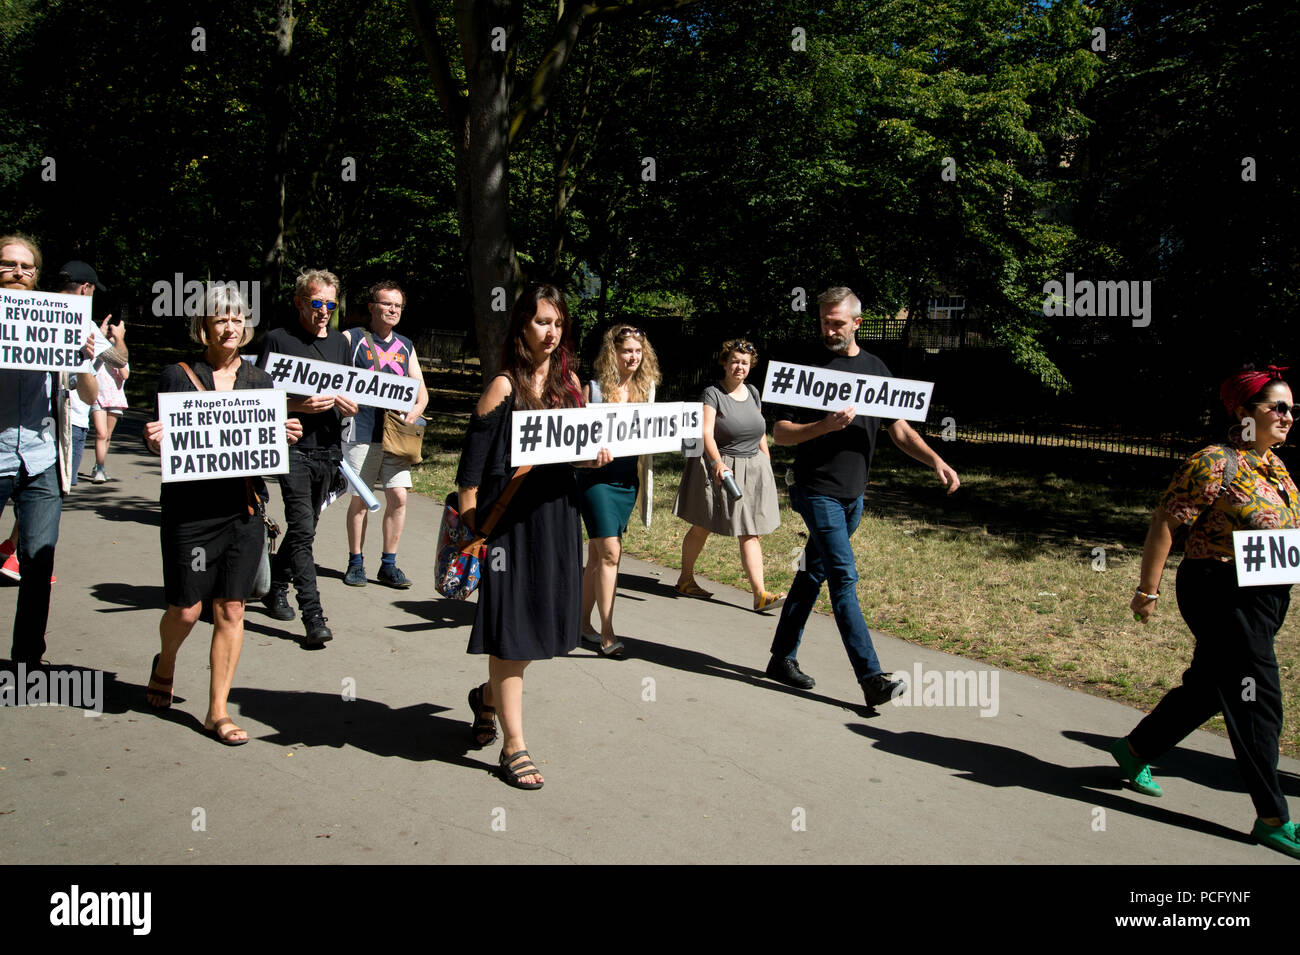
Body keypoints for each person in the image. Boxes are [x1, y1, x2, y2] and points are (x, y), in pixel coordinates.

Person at [1112, 364, 1300, 859]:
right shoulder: (1215, 462)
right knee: (1258, 697)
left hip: (1265, 597)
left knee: (1210, 687)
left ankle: (1134, 751)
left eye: (1291, 409)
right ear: (1243, 413)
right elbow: (1166, 523)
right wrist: (1147, 590)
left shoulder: (1276, 467)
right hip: (1219, 591)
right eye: (1276, 407)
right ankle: (1272, 817)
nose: (1287, 416)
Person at [766, 286, 959, 707]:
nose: (829, 329)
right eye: (823, 321)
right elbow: (780, 434)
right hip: (816, 491)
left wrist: (935, 461)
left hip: (854, 496)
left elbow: (900, 430)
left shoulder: (876, 369)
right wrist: (825, 425)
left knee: (812, 574)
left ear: (857, 323)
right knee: (843, 578)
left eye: (837, 322)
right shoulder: (805, 369)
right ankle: (871, 677)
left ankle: (781, 658)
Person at [456, 283, 608, 789]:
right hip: (510, 530)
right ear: (522, 324)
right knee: (513, 629)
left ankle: (486, 697)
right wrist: (475, 533)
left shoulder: (573, 390)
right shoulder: (504, 386)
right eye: (543, 321)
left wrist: (594, 457)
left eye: (559, 323)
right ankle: (514, 747)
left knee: (538, 628)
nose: (552, 332)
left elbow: (578, 458)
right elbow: (469, 474)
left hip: (557, 520)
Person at [142, 285, 303, 743]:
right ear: (203, 327)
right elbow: (160, 438)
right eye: (220, 319)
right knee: (187, 610)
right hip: (190, 514)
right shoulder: (177, 376)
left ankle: (217, 712)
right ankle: (167, 661)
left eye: (237, 319)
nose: (229, 327)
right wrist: (153, 440)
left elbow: (266, 447)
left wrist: (285, 433)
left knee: (232, 607)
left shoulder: (261, 383)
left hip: (243, 511)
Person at [0, 233, 99, 665]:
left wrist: (82, 359)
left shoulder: (56, 317)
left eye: (27, 267)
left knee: (37, 564)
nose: (19, 273)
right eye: (9, 265)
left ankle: (27, 661)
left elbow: (91, 396)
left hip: (41, 459)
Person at [257, 269, 358, 646]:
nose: (324, 311)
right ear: (300, 302)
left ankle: (275, 585)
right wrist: (299, 403)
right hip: (292, 449)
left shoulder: (340, 344)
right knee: (301, 528)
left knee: (306, 529)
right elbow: (258, 398)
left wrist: (351, 406)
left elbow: (349, 392)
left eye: (330, 305)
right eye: (317, 303)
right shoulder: (278, 340)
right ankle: (313, 615)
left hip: (328, 451)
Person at [673, 338, 785, 612]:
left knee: (749, 530)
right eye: (734, 361)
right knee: (704, 524)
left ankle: (758, 593)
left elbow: (759, 430)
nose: (739, 367)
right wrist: (717, 464)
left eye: (745, 363)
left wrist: (766, 460)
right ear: (724, 362)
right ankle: (687, 579)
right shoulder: (713, 393)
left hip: (754, 466)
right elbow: (705, 433)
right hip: (725, 467)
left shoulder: (753, 393)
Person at [578, 324, 661, 659]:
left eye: (638, 352)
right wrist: (587, 458)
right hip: (595, 481)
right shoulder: (593, 390)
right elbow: (574, 441)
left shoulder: (647, 390)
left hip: (627, 482)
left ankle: (582, 624)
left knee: (597, 557)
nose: (633, 357)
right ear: (612, 353)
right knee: (611, 552)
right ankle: (607, 632)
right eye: (627, 351)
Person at [340, 280, 429, 588]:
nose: (392, 309)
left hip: (395, 435)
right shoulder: (351, 340)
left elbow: (422, 393)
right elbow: (332, 381)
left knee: (398, 496)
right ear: (371, 307)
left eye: (398, 305)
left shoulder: (405, 345)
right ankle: (355, 562)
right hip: (360, 431)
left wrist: (413, 415)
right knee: (362, 499)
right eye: (386, 303)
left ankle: (388, 565)